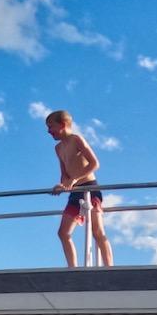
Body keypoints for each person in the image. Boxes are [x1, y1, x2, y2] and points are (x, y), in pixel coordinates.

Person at [46, 109, 113, 267]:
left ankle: (110, 268)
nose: (48, 131)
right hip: (75, 193)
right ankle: (73, 268)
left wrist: (74, 179)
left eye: (51, 126)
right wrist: (62, 185)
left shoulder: (76, 139)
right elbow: (64, 174)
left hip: (89, 188)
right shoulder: (58, 149)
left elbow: (95, 163)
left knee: (97, 231)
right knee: (63, 233)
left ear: (62, 125)